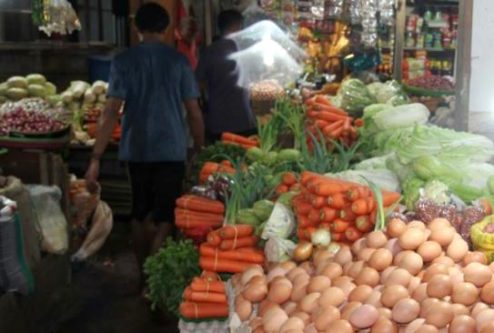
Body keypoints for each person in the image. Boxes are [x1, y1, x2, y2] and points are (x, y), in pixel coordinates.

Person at [85, 2, 205, 290]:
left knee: (139, 213)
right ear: (166, 29)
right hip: (171, 149)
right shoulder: (178, 62)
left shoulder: (123, 61)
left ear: (136, 28)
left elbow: (111, 110)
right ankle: (154, 280)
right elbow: (194, 111)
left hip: (136, 148)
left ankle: (143, 277)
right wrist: (200, 150)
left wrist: (96, 156)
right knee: (165, 216)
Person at [196, 9, 256, 143]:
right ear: (239, 26)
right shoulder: (245, 50)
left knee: (219, 161)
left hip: (217, 122)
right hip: (243, 121)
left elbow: (198, 84)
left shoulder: (209, 52)